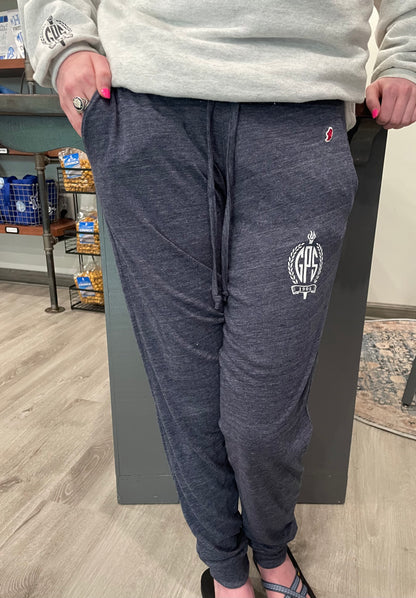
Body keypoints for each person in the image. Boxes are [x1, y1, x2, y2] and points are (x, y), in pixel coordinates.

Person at [17, 1, 416, 597]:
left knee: (264, 416)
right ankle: (227, 570)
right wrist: (65, 45)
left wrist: (405, 55)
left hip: (302, 113)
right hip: (148, 110)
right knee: (187, 393)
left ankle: (272, 549)